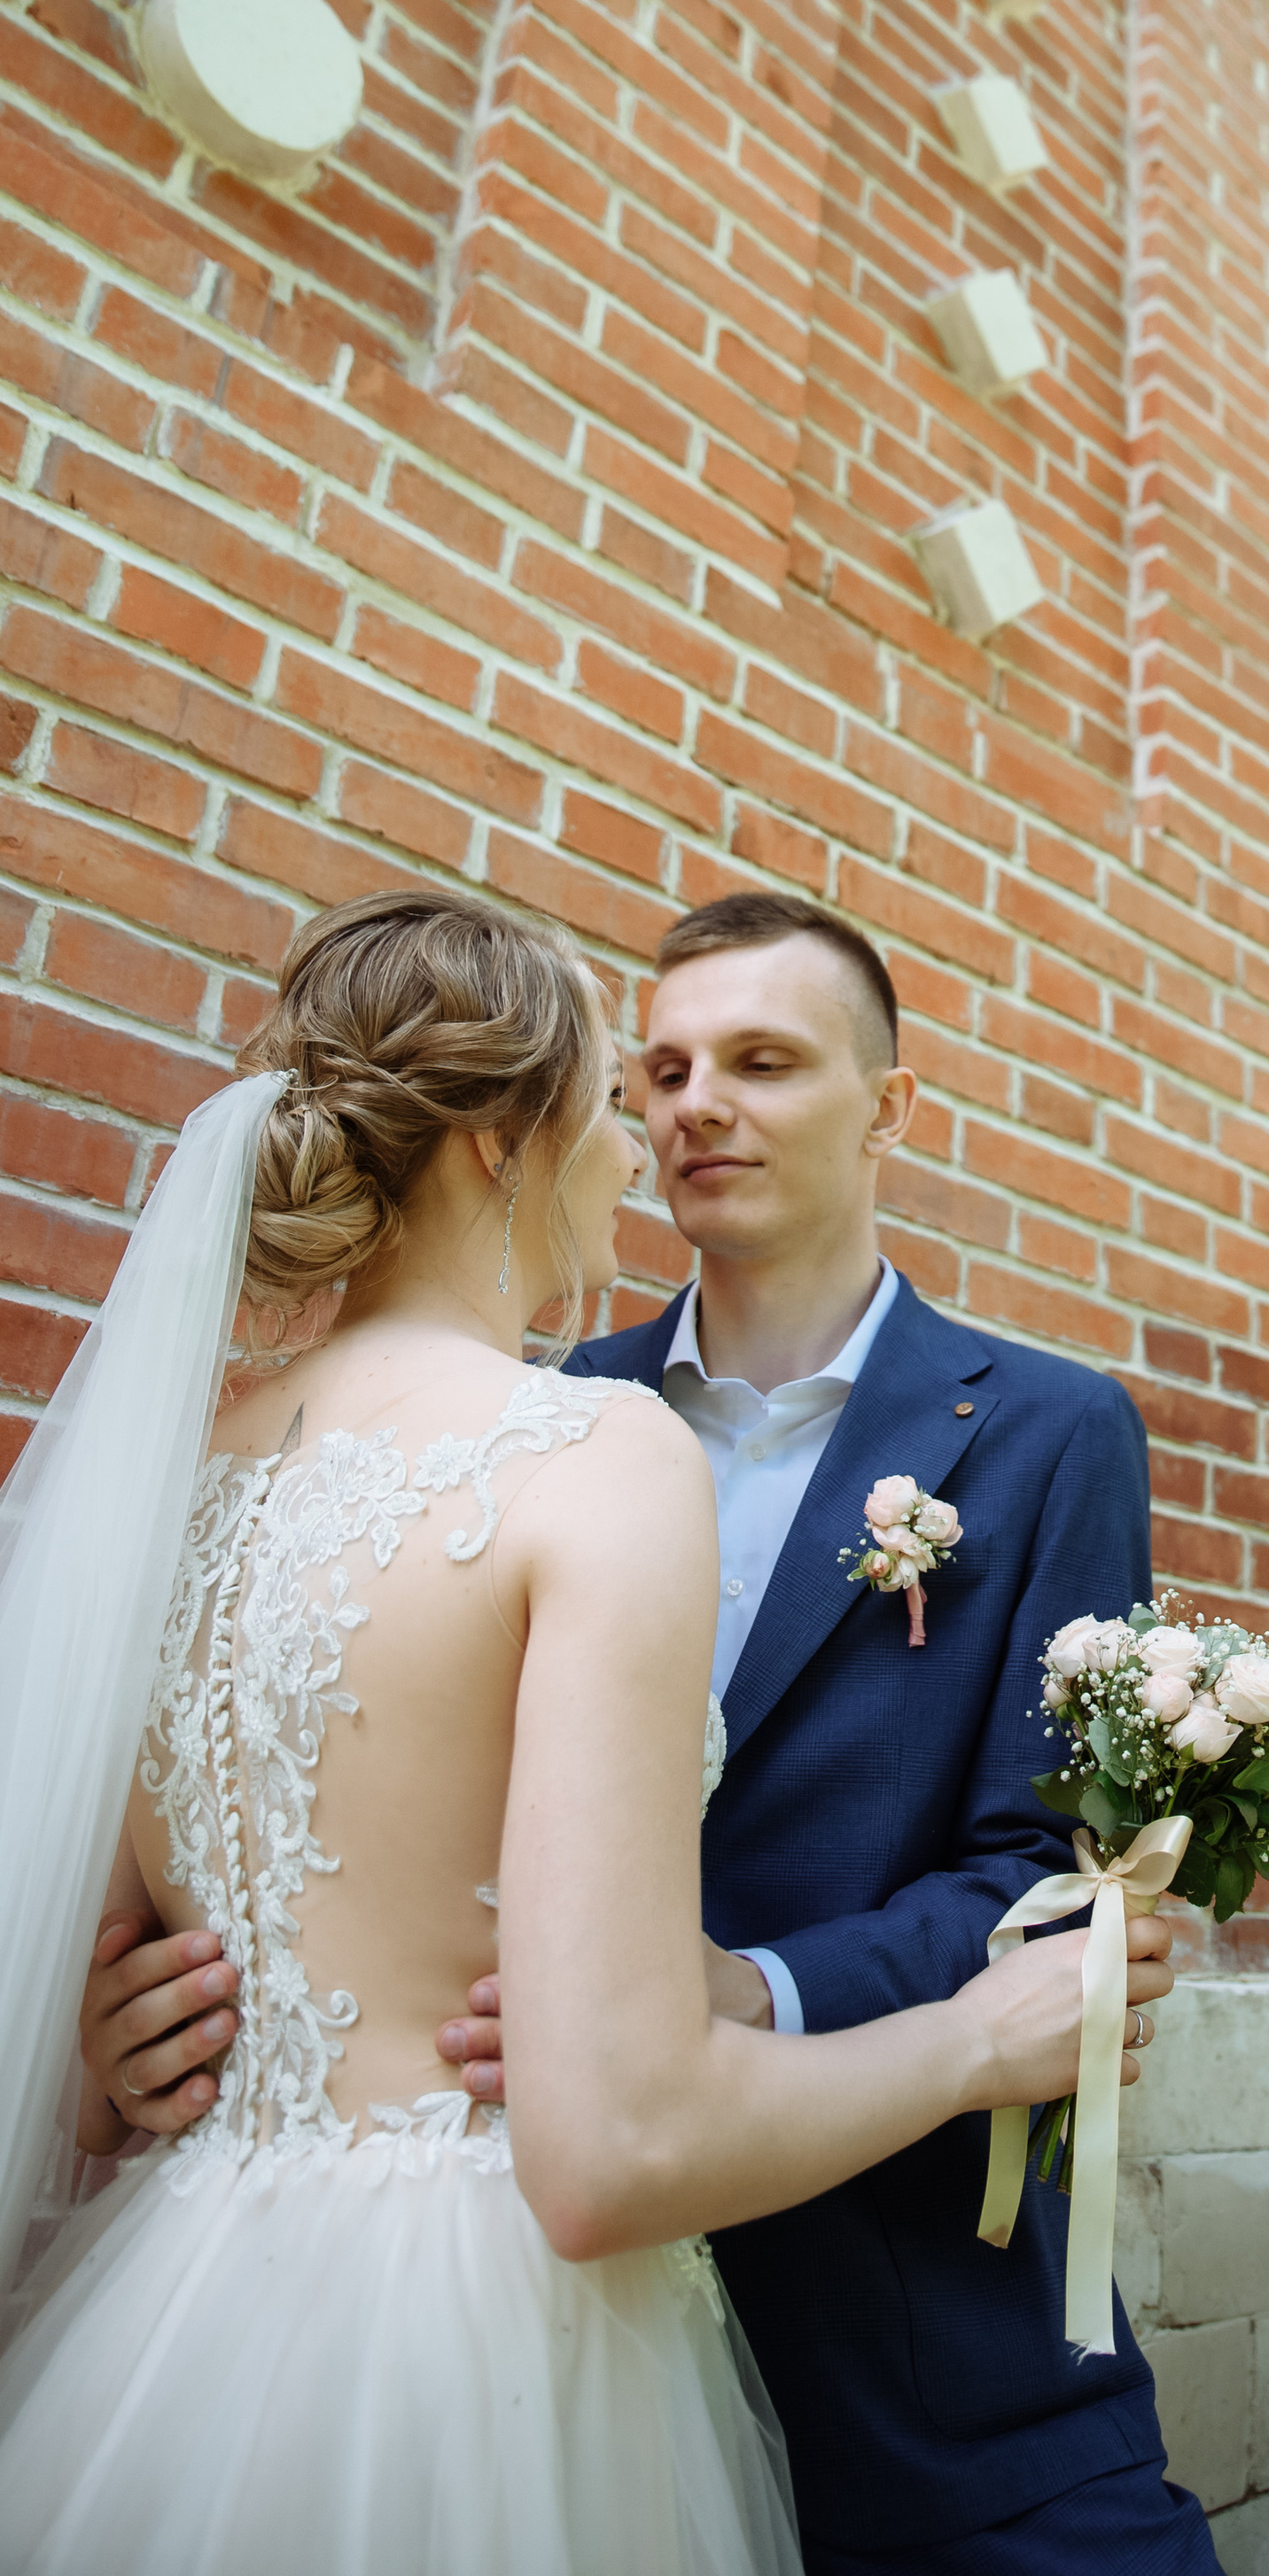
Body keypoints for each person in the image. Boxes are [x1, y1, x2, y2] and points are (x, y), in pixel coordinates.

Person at [8, 887, 1162, 2576]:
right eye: (641, 1081)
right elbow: (165, 1956)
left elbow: (1036, 1858)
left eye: (758, 1060)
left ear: (890, 1105)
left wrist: (755, 1985)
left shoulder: (1052, 1431)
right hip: (528, 2309)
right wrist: (129, 2050)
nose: (671, 1120)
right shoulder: (583, 1431)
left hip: (852, 2319)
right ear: (504, 1144)